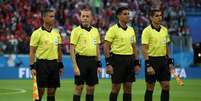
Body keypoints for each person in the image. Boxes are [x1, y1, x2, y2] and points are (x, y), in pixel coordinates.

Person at [104, 7, 141, 101]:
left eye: (128, 14)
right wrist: (108, 64)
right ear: (118, 16)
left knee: (128, 87)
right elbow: (106, 46)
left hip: (129, 60)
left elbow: (134, 47)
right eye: (125, 14)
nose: (127, 16)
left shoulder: (131, 30)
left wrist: (137, 62)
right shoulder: (113, 29)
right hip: (117, 60)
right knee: (116, 87)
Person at [29, 9, 64, 101]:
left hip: (54, 64)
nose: (53, 18)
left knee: (52, 91)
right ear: (44, 18)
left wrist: (60, 64)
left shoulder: (56, 33)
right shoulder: (37, 33)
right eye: (51, 16)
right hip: (41, 64)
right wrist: (32, 67)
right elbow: (32, 51)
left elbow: (59, 50)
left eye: (54, 16)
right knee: (40, 91)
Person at [141, 8, 174, 101]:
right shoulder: (146, 31)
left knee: (166, 86)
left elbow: (166, 47)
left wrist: (170, 61)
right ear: (151, 17)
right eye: (157, 16)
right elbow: (144, 48)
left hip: (163, 60)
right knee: (150, 87)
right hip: (152, 60)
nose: (159, 17)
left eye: (160, 15)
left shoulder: (164, 30)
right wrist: (148, 65)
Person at [70, 6, 102, 101]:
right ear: (80, 17)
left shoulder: (95, 31)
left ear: (91, 18)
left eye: (87, 16)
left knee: (91, 88)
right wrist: (75, 66)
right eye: (83, 16)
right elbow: (72, 49)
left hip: (92, 61)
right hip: (81, 61)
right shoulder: (76, 31)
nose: (85, 18)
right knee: (79, 87)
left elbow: (97, 49)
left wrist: (98, 63)